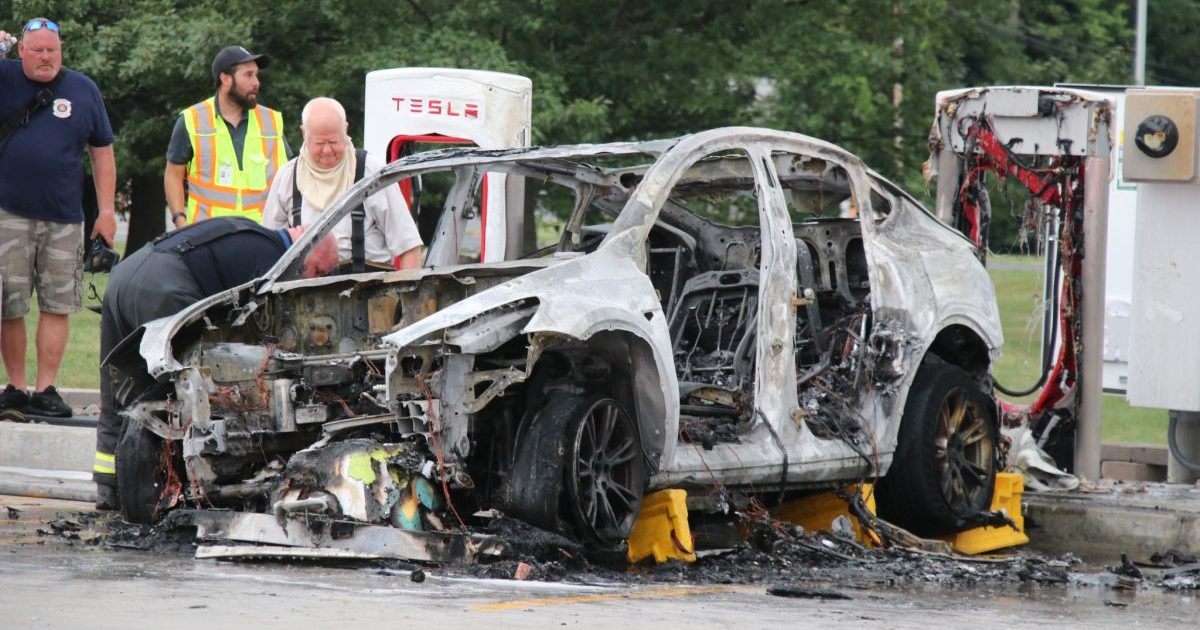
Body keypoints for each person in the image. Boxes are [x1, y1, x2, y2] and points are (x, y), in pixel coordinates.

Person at [93, 217, 338, 510]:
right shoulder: (274, 261)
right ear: (302, 248)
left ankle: (108, 488)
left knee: (118, 387)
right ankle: (168, 489)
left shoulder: (250, 235)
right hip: (165, 287)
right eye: (318, 271)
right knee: (181, 389)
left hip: (124, 277)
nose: (313, 279)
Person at [0, 18, 117, 418]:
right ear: (21, 52)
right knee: (7, 304)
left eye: (53, 50)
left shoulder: (83, 89)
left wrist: (106, 211)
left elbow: (102, 151)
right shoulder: (4, 76)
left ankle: (46, 388)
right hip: (7, 213)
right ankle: (15, 387)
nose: (47, 57)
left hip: (65, 218)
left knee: (57, 304)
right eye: (38, 51)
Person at [262, 97, 422, 269]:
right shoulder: (287, 177)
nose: (327, 151)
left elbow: (409, 248)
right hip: (304, 292)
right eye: (319, 143)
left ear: (345, 129)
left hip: (369, 290)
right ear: (304, 134)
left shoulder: (371, 173)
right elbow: (268, 252)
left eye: (333, 142)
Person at [164, 45, 288, 229]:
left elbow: (288, 177)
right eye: (248, 75)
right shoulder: (192, 119)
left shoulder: (271, 121)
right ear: (225, 78)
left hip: (260, 236)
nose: (256, 82)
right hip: (206, 239)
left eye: (256, 75)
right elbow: (173, 175)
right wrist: (180, 221)